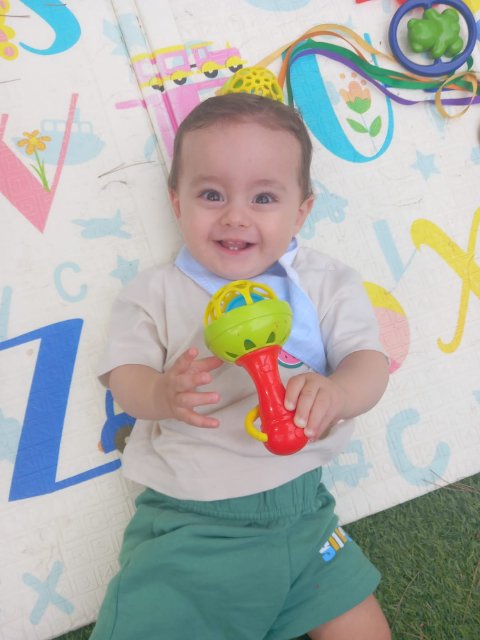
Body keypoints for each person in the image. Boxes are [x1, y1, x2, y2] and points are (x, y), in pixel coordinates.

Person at [90, 91, 391, 640]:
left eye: (264, 198)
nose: (235, 216)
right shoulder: (155, 293)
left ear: (301, 211)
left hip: (307, 516)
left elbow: (369, 361)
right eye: (211, 194)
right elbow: (124, 376)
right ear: (177, 203)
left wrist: (340, 393)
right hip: (197, 523)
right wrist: (161, 394)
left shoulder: (325, 282)